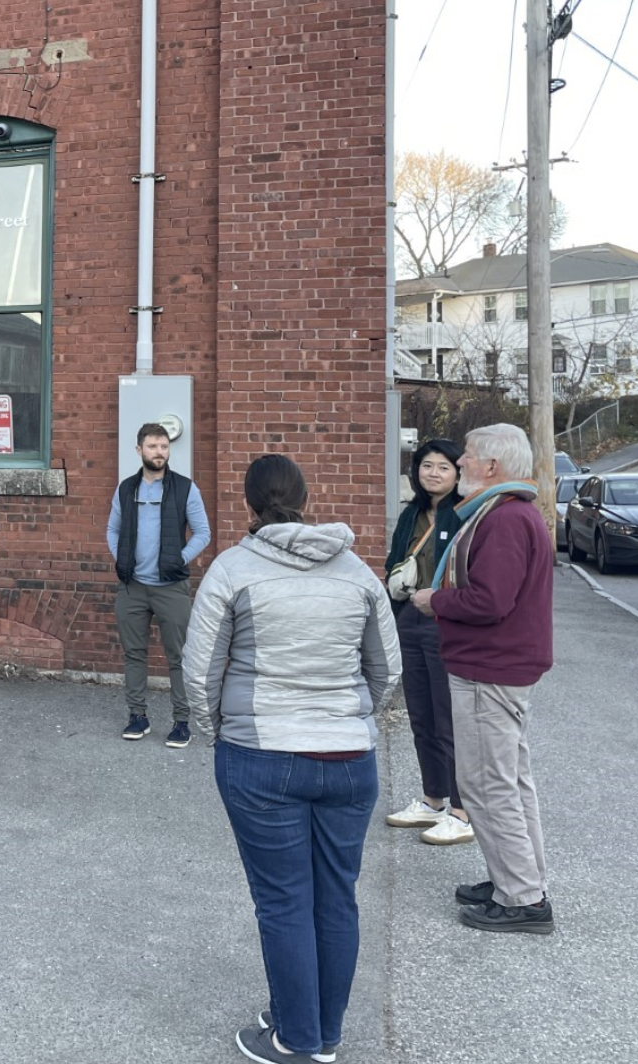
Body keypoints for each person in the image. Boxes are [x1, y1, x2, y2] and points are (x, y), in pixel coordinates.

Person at [184, 455, 400, 1064]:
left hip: (260, 756)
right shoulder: (358, 572)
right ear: (306, 498)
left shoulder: (232, 568)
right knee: (336, 896)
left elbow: (200, 670)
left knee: (282, 899)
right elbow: (388, 670)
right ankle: (320, 1031)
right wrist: (352, 718)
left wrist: (217, 732)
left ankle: (296, 1040)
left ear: (249, 504)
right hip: (349, 758)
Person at [411, 422, 555, 935]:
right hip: (499, 667)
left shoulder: (505, 519)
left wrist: (435, 601)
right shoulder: (511, 512)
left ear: (491, 466)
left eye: (468, 456)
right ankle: (517, 882)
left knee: (487, 785)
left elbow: (491, 600)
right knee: (509, 782)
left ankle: (522, 898)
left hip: (489, 669)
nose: (462, 463)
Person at [381, 439, 473, 845]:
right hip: (409, 617)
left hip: (446, 622)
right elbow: (393, 560)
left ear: (458, 473)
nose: (433, 473)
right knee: (421, 715)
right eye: (426, 466)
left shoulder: (465, 514)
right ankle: (433, 799)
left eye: (443, 467)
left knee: (447, 717)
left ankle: (461, 809)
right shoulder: (411, 514)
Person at [106, 422, 211, 747]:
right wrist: (123, 558)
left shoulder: (185, 488)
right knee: (134, 654)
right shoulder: (126, 489)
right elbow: (112, 530)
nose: (159, 452)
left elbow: (203, 532)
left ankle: (182, 721)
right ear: (139, 450)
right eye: (152, 446)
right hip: (132, 587)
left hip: (171, 588)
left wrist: (178, 560)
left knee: (178, 656)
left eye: (164, 447)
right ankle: (138, 716)